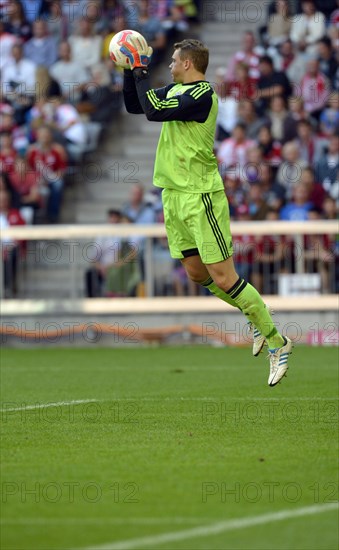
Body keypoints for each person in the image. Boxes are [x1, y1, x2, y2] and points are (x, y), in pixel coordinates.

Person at [121, 37, 293, 386]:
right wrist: (129, 72)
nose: (169, 64)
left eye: (173, 60)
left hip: (200, 196)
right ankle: (254, 313)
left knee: (225, 277)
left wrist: (140, 69)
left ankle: (277, 340)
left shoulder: (202, 95)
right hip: (173, 194)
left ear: (188, 63)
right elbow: (135, 107)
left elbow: (153, 111)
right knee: (197, 273)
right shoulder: (175, 89)